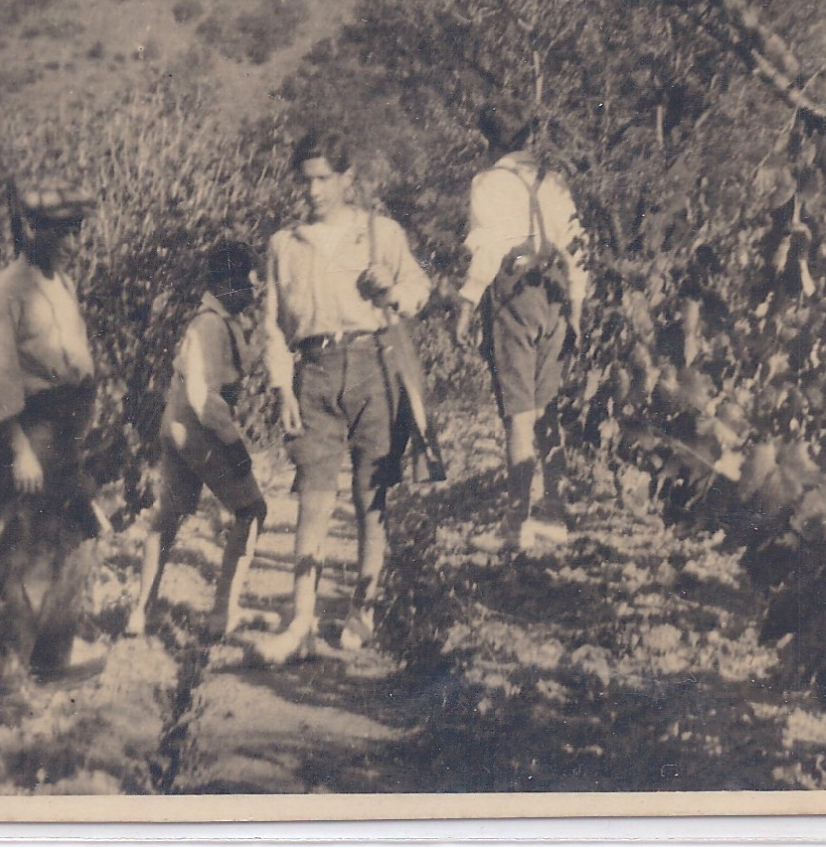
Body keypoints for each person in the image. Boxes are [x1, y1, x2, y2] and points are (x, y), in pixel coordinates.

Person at [251, 133, 433, 664]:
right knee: (312, 498)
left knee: (370, 499)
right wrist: (282, 386)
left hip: (376, 366)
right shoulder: (284, 244)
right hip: (314, 373)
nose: (314, 190)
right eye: (305, 179)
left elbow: (418, 292)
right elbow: (272, 325)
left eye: (324, 178)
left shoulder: (381, 233)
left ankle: (364, 610)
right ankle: (302, 621)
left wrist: (391, 293)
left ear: (347, 179)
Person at [0, 178, 101, 679]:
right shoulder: (4, 291)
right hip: (30, 431)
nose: (73, 242)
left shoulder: (61, 286)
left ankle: (52, 657)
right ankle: (7, 669)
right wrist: (19, 449)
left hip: (66, 431)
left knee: (75, 538)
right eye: (63, 232)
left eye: (78, 230)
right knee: (20, 549)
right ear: (33, 230)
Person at [453, 104, 589, 552]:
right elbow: (576, 250)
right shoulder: (553, 181)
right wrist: (576, 307)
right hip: (553, 292)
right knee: (546, 405)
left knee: (518, 411)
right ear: (529, 137)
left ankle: (516, 525)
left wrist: (468, 303)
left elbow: (488, 249)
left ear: (489, 142)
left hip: (513, 294)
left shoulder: (488, 183)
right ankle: (556, 512)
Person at [126, 239, 272, 640]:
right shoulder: (209, 325)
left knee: (168, 518)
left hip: (177, 427)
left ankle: (141, 612)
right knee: (251, 510)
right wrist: (234, 444)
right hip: (197, 430)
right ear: (226, 282)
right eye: (247, 282)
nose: (252, 291)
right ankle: (223, 613)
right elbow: (202, 397)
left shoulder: (219, 322)